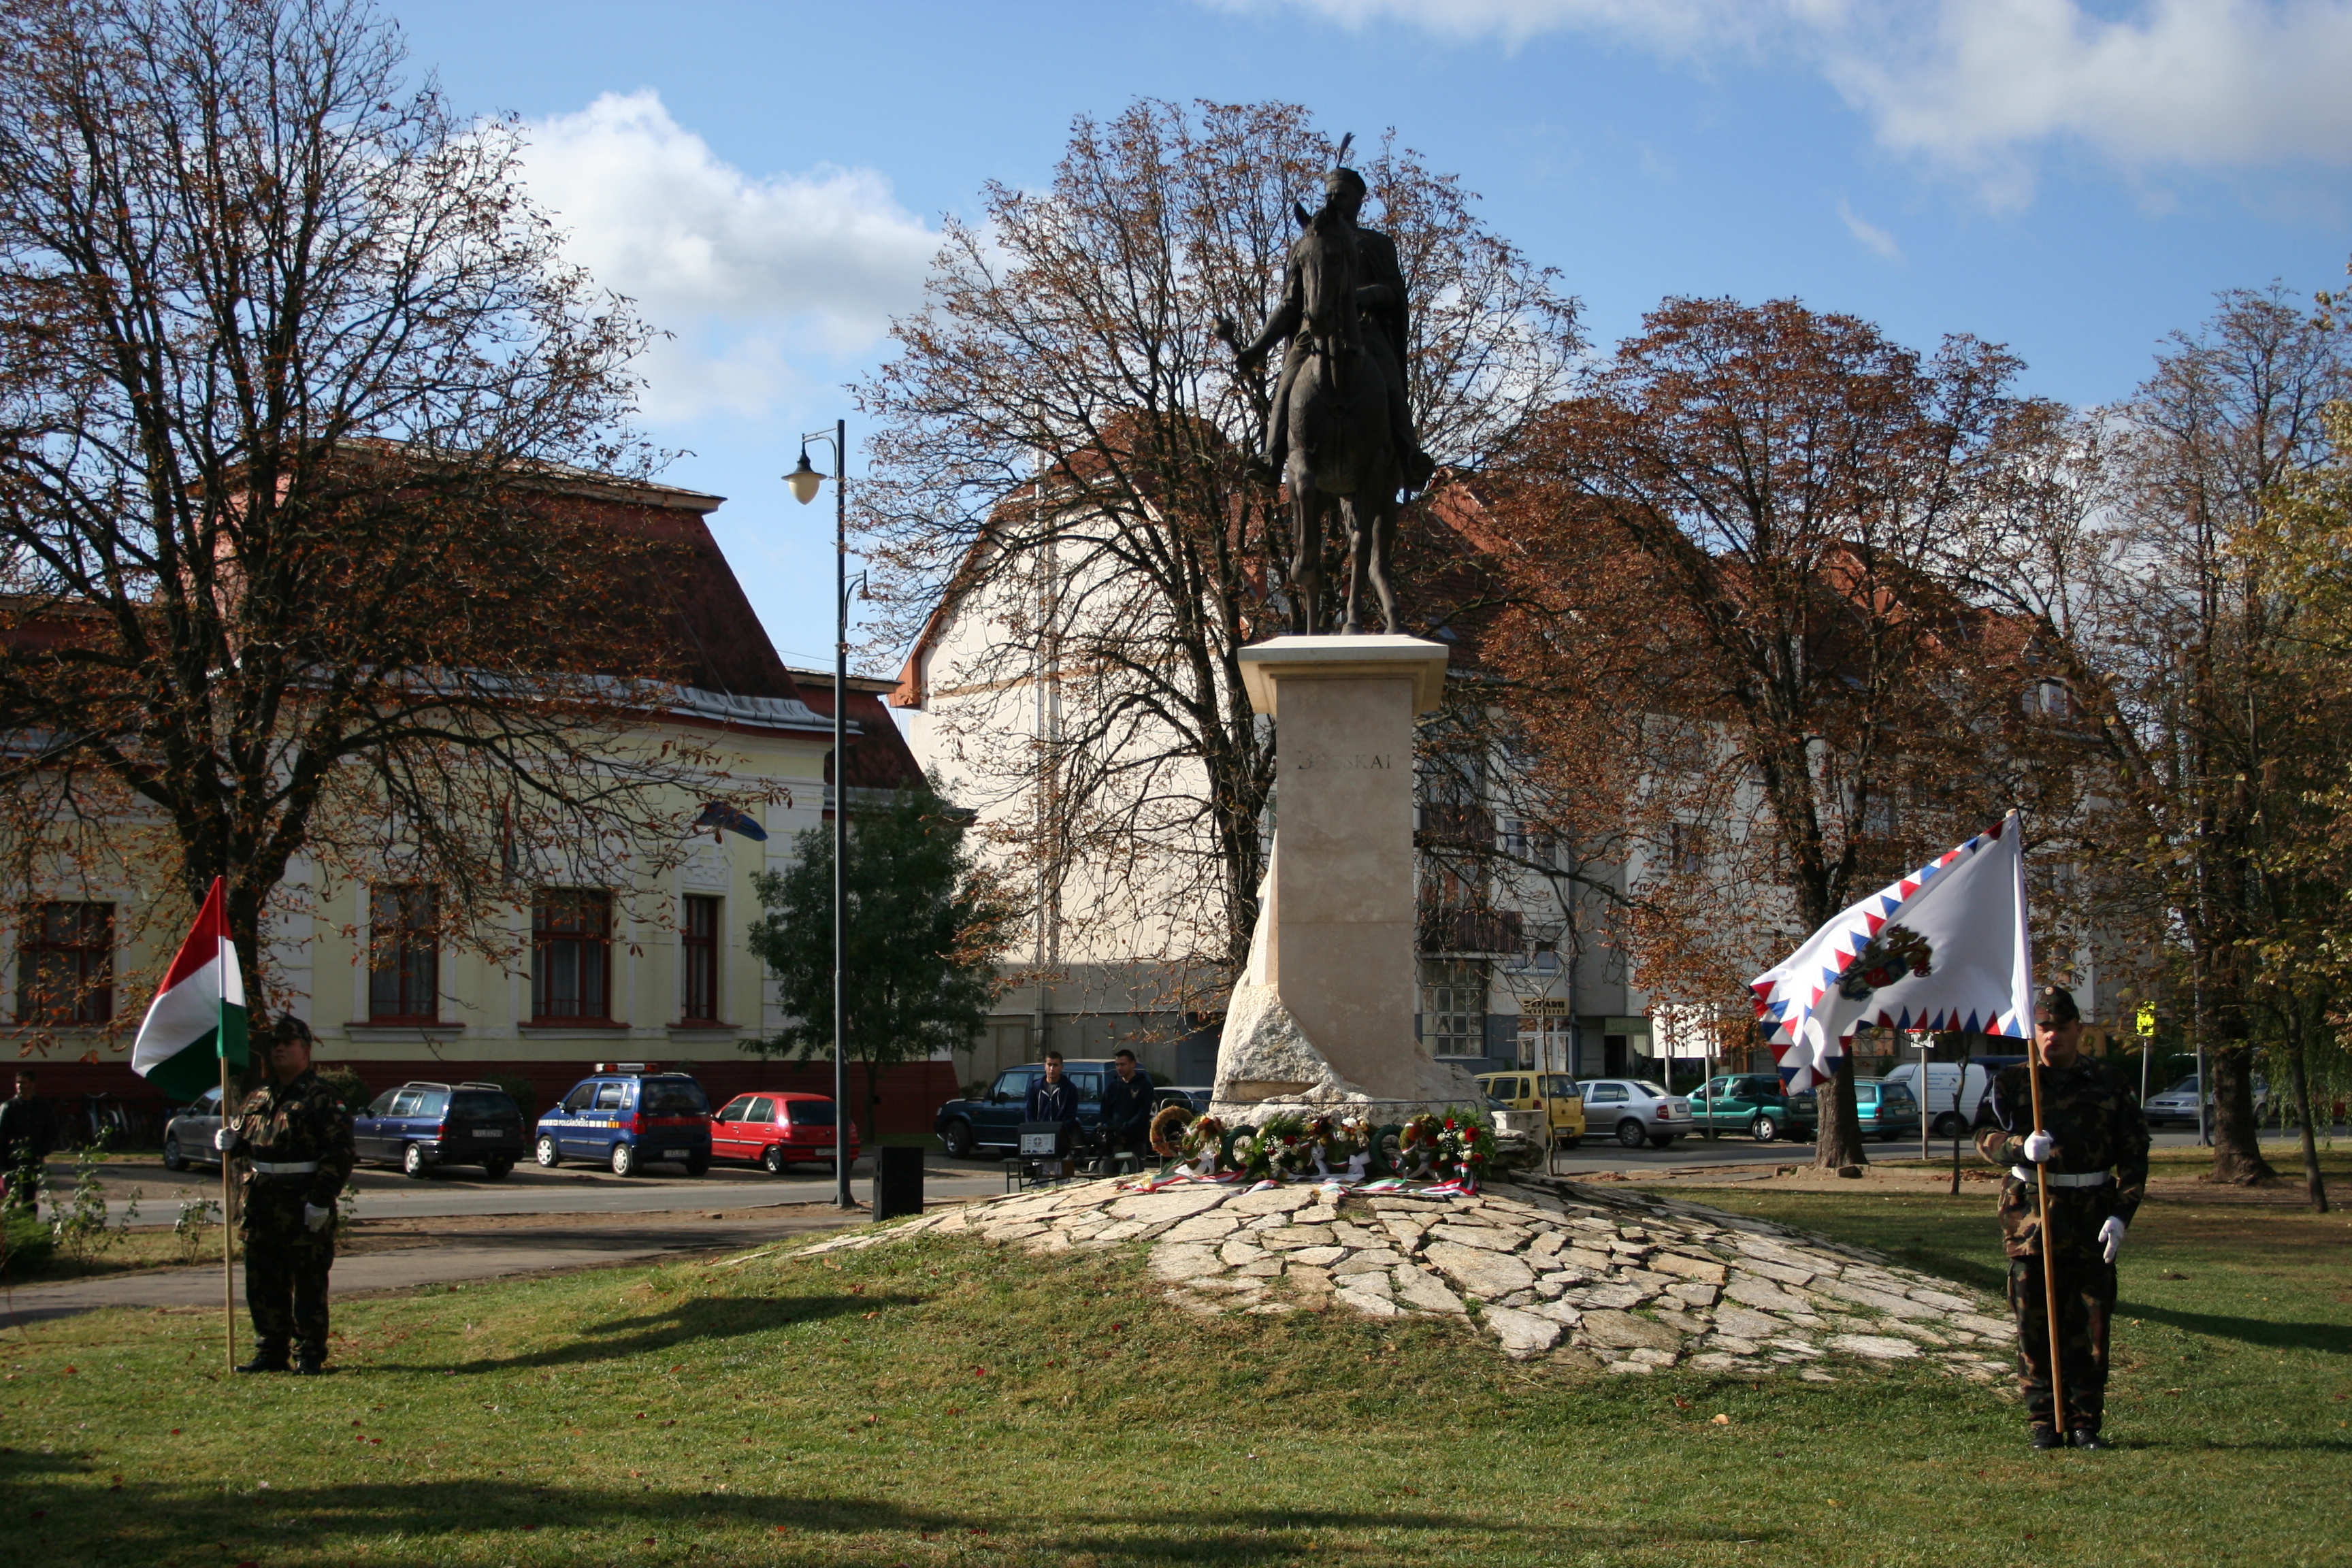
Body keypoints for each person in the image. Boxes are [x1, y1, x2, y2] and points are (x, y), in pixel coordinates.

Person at [1975, 986, 2151, 1451]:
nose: (2053, 1035)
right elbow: (1983, 1136)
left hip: (2092, 1216)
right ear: (2034, 1031)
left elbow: (2135, 1153)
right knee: (2034, 1325)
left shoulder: (2108, 1081)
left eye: (2061, 1027)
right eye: (2044, 1027)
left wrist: (2122, 1215)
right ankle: (2044, 1422)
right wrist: (2018, 1147)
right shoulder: (2013, 1082)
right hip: (2033, 1220)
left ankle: (2084, 1422)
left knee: (2091, 1325)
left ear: (2078, 1029)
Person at [1232, 160, 1436, 493]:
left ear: (1358, 202)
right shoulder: (1307, 244)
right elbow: (1290, 303)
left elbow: (1394, 294)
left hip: (1364, 332)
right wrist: (1257, 347)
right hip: (1312, 333)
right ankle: (1271, 457)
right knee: (1287, 383)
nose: (1333, 201)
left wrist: (1364, 295)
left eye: (1341, 195)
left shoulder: (1376, 243)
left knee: (1390, 383)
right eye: (1329, 195)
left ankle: (1410, 455)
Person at [214, 1015, 355, 1375]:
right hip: (262, 1203)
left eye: (287, 1044)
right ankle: (271, 1350)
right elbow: (248, 1141)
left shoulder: (322, 1096)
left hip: (303, 1201)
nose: (279, 1049)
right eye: (275, 1044)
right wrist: (230, 1142)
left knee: (308, 1284)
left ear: (305, 1052)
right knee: (263, 1282)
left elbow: (339, 1154)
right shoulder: (259, 1096)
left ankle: (309, 1353)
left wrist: (321, 1201)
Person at [0, 1069, 60, 1212]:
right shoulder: (9, 1107)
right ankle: (10, 1225)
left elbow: (52, 1131)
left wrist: (43, 1151)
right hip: (12, 1161)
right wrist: (2, 1165)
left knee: (29, 1198)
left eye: (24, 1083)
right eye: (18, 1083)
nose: (20, 1086)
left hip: (33, 1159)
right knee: (10, 1198)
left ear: (33, 1085)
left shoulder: (43, 1107)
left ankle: (29, 1223)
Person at [1024, 1051, 1081, 1179]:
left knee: (1063, 1181)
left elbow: (1070, 1115)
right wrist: (1035, 1133)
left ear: (1062, 1067)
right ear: (1044, 1066)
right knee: (1039, 1182)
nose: (1052, 1069)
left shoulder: (1069, 1088)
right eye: (1049, 1065)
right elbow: (1030, 1114)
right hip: (1039, 1142)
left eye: (1055, 1065)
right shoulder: (1036, 1087)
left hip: (1062, 1142)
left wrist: (1062, 1134)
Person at [1097, 1049, 1156, 1166]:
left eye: (1123, 1064)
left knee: (1133, 1174)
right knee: (1109, 1175)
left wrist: (1123, 1131)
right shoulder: (1113, 1086)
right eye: (1117, 1065)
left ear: (1132, 1064)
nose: (1119, 1068)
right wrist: (1114, 1132)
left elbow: (1143, 1114)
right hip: (1113, 1141)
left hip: (1135, 1141)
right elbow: (1104, 1111)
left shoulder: (1144, 1086)